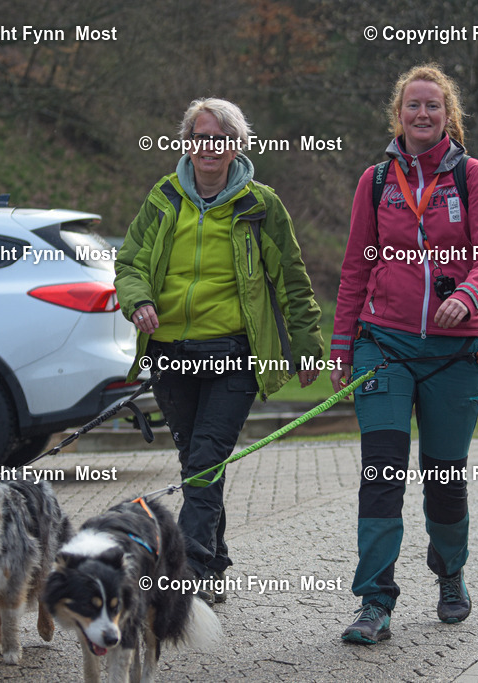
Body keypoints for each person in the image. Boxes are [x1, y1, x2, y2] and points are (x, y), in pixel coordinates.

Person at [115, 97, 323, 604]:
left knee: (205, 461)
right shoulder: (164, 197)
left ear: (236, 146)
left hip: (232, 353)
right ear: (187, 143)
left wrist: (307, 345)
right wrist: (137, 300)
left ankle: (193, 573)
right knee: (196, 462)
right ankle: (215, 556)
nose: (209, 146)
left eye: (220, 137)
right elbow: (130, 262)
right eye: (200, 136)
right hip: (170, 353)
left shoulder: (261, 206)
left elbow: (291, 280)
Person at [329, 64, 478, 643]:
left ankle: (450, 573)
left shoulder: (471, 176)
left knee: (444, 478)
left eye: (433, 106)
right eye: (413, 105)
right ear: (399, 114)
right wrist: (341, 348)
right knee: (381, 475)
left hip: (456, 356)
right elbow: (356, 266)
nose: (422, 114)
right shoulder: (376, 180)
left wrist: (469, 293)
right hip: (384, 347)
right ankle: (375, 601)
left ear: (447, 115)